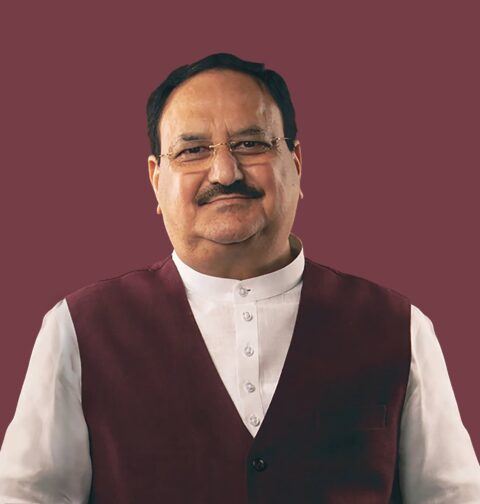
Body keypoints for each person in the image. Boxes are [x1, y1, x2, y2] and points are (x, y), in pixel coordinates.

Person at [0, 53, 479, 504]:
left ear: (296, 163)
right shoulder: (78, 329)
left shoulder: (398, 327)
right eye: (192, 150)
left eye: (251, 144)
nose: (225, 172)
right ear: (156, 180)